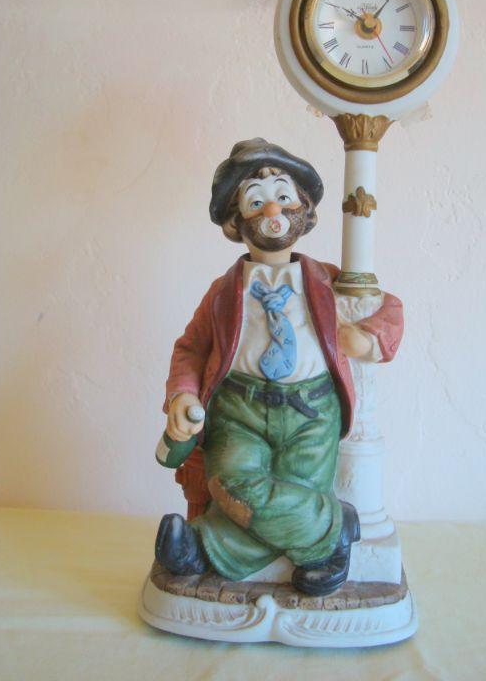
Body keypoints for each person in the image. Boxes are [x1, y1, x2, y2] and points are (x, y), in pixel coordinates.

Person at [154, 138, 403, 595]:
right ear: (235, 221)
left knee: (288, 487)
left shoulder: (329, 282)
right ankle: (330, 530)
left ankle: (202, 547)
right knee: (232, 485)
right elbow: (190, 348)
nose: (273, 210)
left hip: (312, 412)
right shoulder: (224, 292)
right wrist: (183, 395)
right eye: (256, 202)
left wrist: (369, 338)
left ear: (304, 211)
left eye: (284, 197)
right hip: (239, 412)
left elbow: (387, 307)